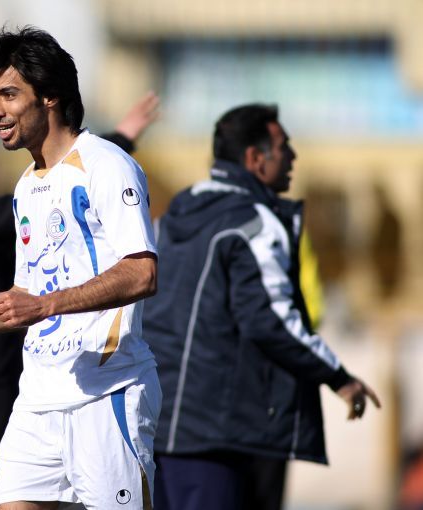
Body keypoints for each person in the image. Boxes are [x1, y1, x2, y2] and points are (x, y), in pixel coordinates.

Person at [0, 26, 161, 509]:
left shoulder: (107, 164)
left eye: (9, 94)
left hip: (107, 394)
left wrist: (47, 305)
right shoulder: (26, 186)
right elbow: (21, 302)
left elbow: (142, 272)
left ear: (50, 95)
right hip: (36, 402)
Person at [141, 103, 381, 510]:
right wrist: (338, 377)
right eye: (284, 146)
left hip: (156, 423)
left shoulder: (175, 213)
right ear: (255, 158)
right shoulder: (254, 220)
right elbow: (268, 318)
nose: (293, 156)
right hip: (216, 433)